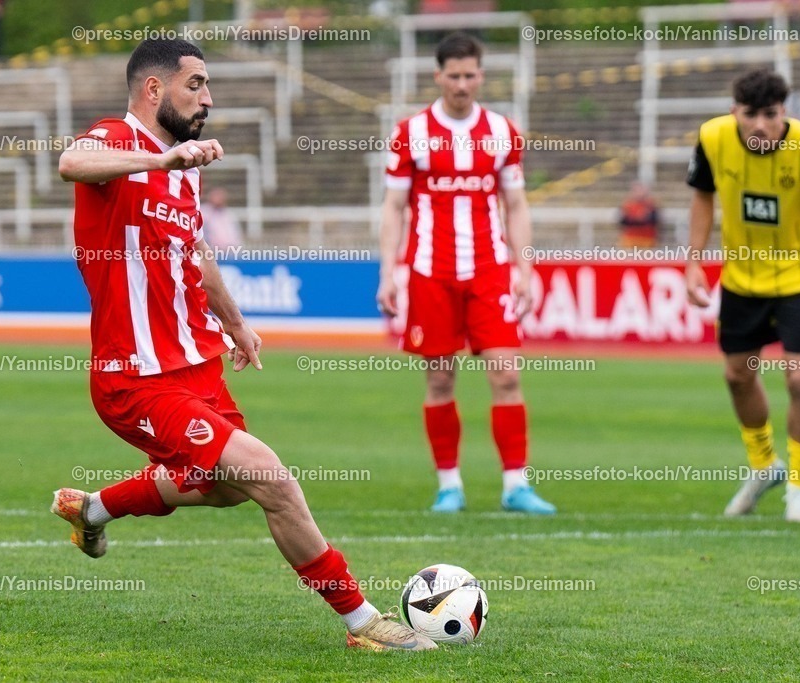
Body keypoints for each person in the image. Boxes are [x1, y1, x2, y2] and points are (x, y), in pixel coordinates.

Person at [52, 38, 435, 651]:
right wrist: (161, 160)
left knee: (228, 487)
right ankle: (362, 622)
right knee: (272, 480)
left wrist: (234, 321)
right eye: (195, 84)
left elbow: (195, 251)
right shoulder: (120, 140)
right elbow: (72, 162)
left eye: (207, 85)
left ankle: (94, 509)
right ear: (153, 89)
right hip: (136, 376)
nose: (208, 98)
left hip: (195, 365)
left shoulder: (183, 169)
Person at [377, 32, 556, 515]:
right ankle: (449, 486)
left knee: (506, 373)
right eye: (453, 76)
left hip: (489, 271)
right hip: (429, 271)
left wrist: (525, 268)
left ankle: (516, 485)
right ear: (438, 76)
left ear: (481, 75)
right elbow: (393, 207)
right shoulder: (411, 132)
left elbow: (516, 204)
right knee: (440, 379)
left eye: (469, 75)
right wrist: (388, 273)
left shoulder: (502, 131)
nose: (461, 84)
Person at [685, 67, 800, 522]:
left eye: (769, 115)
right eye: (749, 114)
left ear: (783, 112)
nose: (759, 125)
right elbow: (702, 196)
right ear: (734, 111)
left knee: (798, 379)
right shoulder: (712, 137)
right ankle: (764, 465)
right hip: (742, 279)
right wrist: (693, 262)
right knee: (737, 375)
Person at [198, 186, 244, 253]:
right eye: (216, 195)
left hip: (230, 251)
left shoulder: (229, 214)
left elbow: (236, 235)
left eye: (221, 196)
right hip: (210, 251)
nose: (219, 198)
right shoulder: (203, 212)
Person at [618, 181, 660, 249]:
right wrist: (638, 219)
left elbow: (654, 220)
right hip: (630, 239)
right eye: (636, 190)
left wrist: (642, 219)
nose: (639, 193)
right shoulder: (628, 205)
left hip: (647, 239)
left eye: (641, 190)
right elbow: (623, 221)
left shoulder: (650, 204)